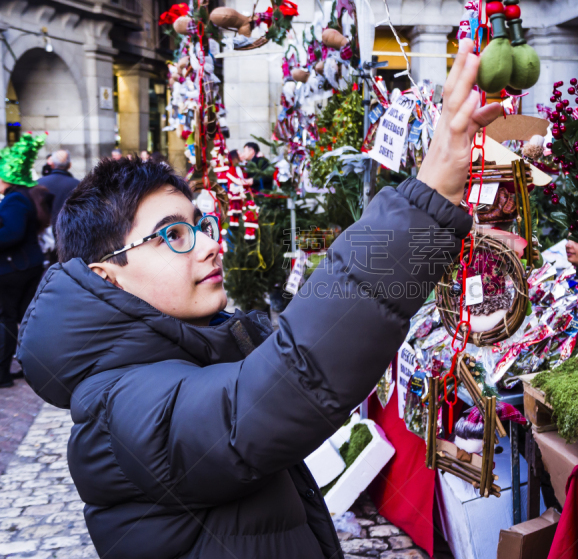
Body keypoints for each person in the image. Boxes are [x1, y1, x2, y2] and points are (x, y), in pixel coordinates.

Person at [16, 38, 502, 558]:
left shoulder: (172, 358)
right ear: (107, 276)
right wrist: (429, 197)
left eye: (199, 225)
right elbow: (290, 379)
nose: (208, 244)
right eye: (173, 235)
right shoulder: (123, 409)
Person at [0, 153, 50, 387]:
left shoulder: (14, 199)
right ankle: (31, 366)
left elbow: (12, 233)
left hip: (15, 267)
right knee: (22, 318)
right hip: (24, 265)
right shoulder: (19, 197)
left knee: (8, 319)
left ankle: (4, 374)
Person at [37, 149, 80, 230]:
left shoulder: (38, 184)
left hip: (44, 233)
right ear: (69, 165)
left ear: (51, 164)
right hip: (69, 232)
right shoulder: (78, 185)